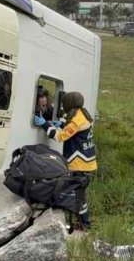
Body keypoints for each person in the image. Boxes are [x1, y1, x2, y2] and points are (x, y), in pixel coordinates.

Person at [35, 91, 95, 229]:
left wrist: (45, 124)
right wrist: (61, 124)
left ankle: (83, 225)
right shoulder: (82, 114)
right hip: (86, 166)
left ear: (70, 104)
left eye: (64, 104)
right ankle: (82, 224)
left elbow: (59, 137)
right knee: (79, 197)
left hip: (80, 167)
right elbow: (75, 132)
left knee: (69, 194)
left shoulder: (76, 121)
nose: (63, 106)